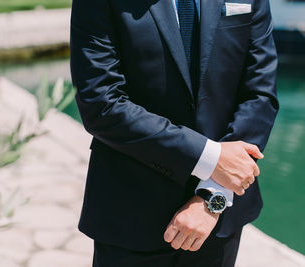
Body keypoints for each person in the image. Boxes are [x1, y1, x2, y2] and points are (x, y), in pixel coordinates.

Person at [69, 0, 279, 265]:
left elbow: (260, 96)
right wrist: (211, 158)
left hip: (219, 222)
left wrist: (214, 193)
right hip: (131, 213)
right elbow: (101, 104)